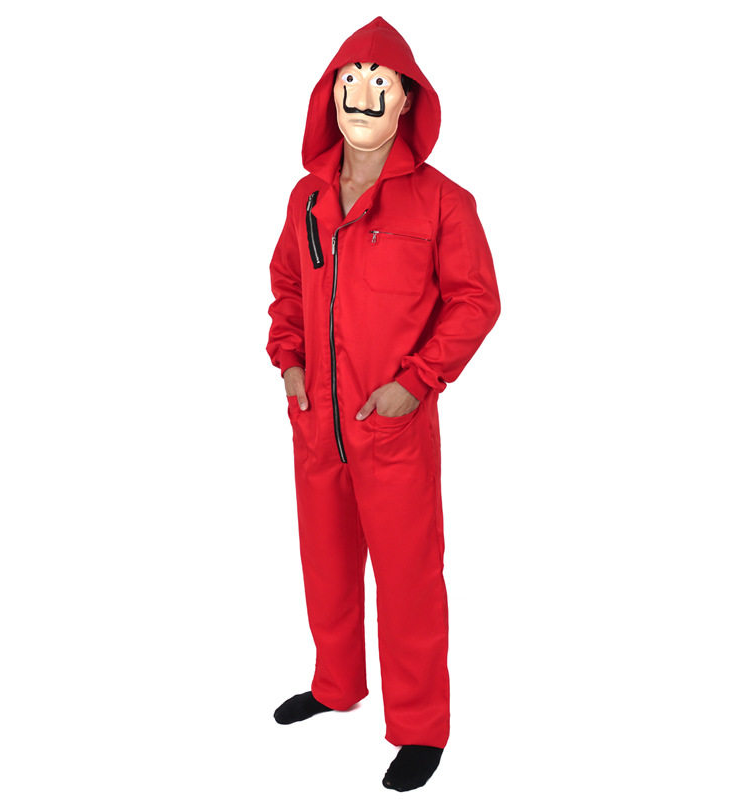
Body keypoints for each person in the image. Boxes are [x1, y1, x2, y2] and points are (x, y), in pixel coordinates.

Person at [265, 16, 501, 792]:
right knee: (326, 566)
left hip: (392, 429)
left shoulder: (444, 203)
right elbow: (288, 287)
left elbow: (476, 301)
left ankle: (421, 728)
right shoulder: (306, 199)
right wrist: (290, 364)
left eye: (379, 82)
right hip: (317, 425)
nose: (361, 93)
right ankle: (336, 686)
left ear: (406, 100)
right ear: (328, 96)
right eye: (348, 80)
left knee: (408, 580)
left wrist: (417, 382)